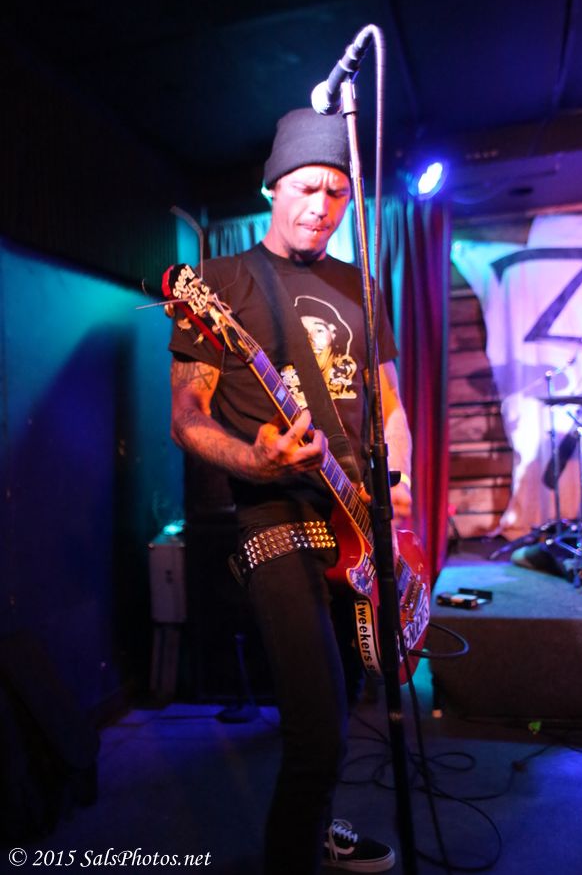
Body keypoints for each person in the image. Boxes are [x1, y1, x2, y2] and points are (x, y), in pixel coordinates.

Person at [168, 108, 412, 874]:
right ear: (273, 187)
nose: (322, 205)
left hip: (358, 517)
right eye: (307, 187)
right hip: (275, 512)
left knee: (355, 700)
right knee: (318, 729)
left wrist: (398, 496)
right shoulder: (219, 284)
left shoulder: (360, 285)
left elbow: (390, 405)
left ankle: (320, 829)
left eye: (337, 192)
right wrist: (258, 458)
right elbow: (185, 417)